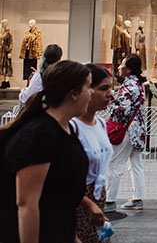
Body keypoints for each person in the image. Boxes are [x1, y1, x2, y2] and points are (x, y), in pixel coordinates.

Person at [0, 60, 92, 243]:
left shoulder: (66, 129)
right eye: (88, 87)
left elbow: (59, 193)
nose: (92, 93)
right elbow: (27, 204)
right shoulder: (40, 134)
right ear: (73, 94)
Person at [74, 64, 115, 243]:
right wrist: (86, 202)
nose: (110, 94)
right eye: (104, 88)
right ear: (87, 91)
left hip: (97, 204)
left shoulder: (101, 124)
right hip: (77, 204)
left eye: (111, 88)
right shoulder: (72, 127)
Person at [105, 54, 147, 212]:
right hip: (137, 130)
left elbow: (122, 110)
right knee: (135, 164)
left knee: (115, 164)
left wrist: (109, 105)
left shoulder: (129, 86)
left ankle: (109, 201)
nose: (119, 67)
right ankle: (138, 197)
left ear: (128, 70)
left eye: (122, 65)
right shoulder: (138, 84)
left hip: (126, 130)